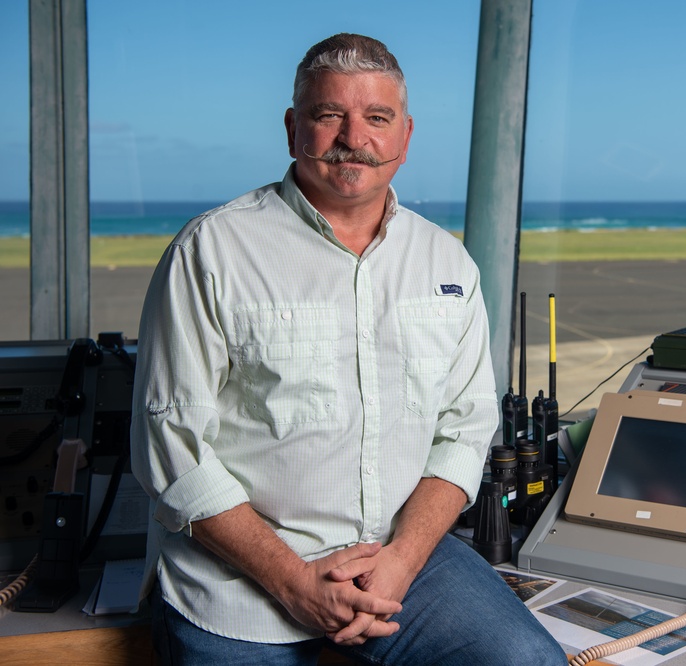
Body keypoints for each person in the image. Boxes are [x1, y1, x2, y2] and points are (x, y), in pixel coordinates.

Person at [131, 33, 567, 665]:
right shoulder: (211, 252)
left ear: (405, 136)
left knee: (528, 661)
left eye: (377, 118)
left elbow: (465, 428)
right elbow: (171, 448)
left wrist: (401, 561)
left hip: (405, 559)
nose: (353, 136)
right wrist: (293, 581)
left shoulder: (446, 261)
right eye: (329, 114)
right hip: (242, 580)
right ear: (293, 128)